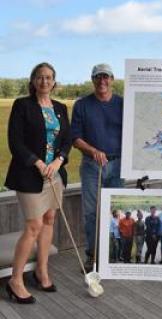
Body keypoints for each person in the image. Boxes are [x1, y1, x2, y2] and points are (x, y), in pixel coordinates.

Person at [5, 62, 71, 303]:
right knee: (33, 226)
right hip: (29, 175)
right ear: (33, 81)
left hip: (54, 176)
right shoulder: (22, 105)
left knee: (49, 220)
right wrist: (37, 162)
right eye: (40, 77)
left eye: (49, 77)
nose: (45, 81)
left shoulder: (62, 108)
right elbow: (15, 141)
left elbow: (67, 140)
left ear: (54, 82)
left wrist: (59, 161)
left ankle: (41, 270)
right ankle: (15, 280)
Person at [71, 63, 124, 272]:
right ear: (93, 80)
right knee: (91, 213)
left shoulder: (123, 104)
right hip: (92, 166)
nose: (102, 81)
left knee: (115, 212)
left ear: (112, 79)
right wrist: (93, 150)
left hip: (118, 165)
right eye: (98, 77)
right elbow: (75, 138)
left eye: (106, 77)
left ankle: (111, 254)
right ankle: (92, 256)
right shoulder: (82, 105)